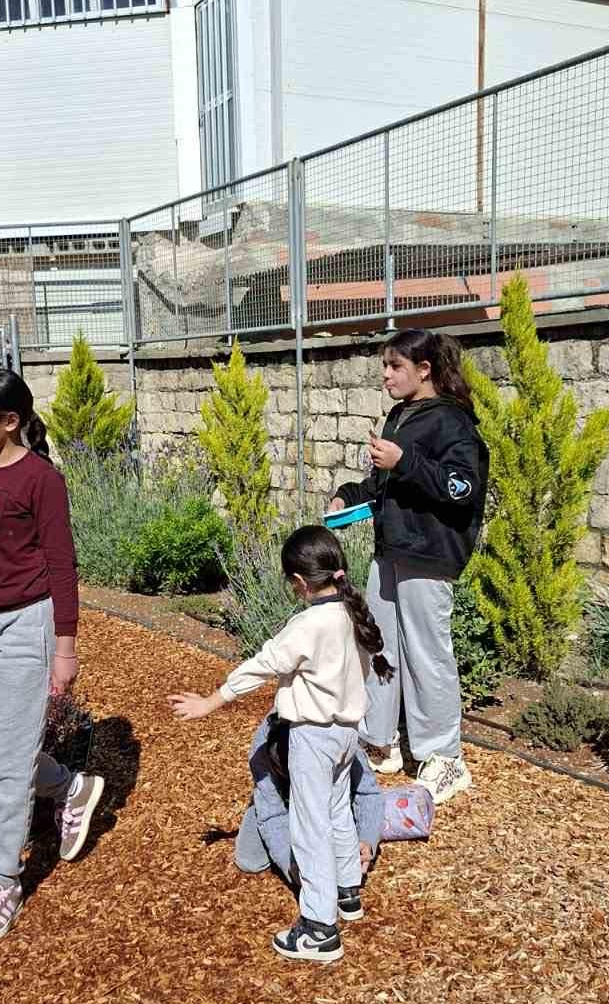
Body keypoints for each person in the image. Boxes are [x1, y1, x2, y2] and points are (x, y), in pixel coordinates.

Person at [170, 525, 392, 964]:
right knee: (336, 811)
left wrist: (212, 700)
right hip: (347, 735)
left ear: (298, 582)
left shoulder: (308, 625)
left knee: (309, 827)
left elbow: (263, 664)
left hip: (313, 736)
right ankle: (347, 891)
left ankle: (320, 929)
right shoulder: (352, 612)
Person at [0, 367, 104, 948]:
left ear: (10, 421)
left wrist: (65, 647)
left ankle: (2, 883)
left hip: (28, 627)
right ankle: (68, 786)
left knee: (9, 770)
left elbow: (63, 566)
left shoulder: (42, 480)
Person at [329, 328, 487, 806]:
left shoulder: (453, 421)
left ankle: (444, 759)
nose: (385, 374)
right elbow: (384, 485)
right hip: (391, 549)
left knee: (426, 654)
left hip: (429, 553)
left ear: (425, 370)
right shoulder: (400, 415)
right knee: (378, 644)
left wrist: (405, 461)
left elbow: (462, 488)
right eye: (384, 365)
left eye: (395, 366)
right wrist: (348, 496)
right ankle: (381, 742)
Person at [235, 718, 384, 897]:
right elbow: (273, 815)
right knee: (250, 859)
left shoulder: (341, 733)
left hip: (331, 790)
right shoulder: (261, 749)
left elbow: (368, 792)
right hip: (283, 796)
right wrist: (292, 866)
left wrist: (367, 839)